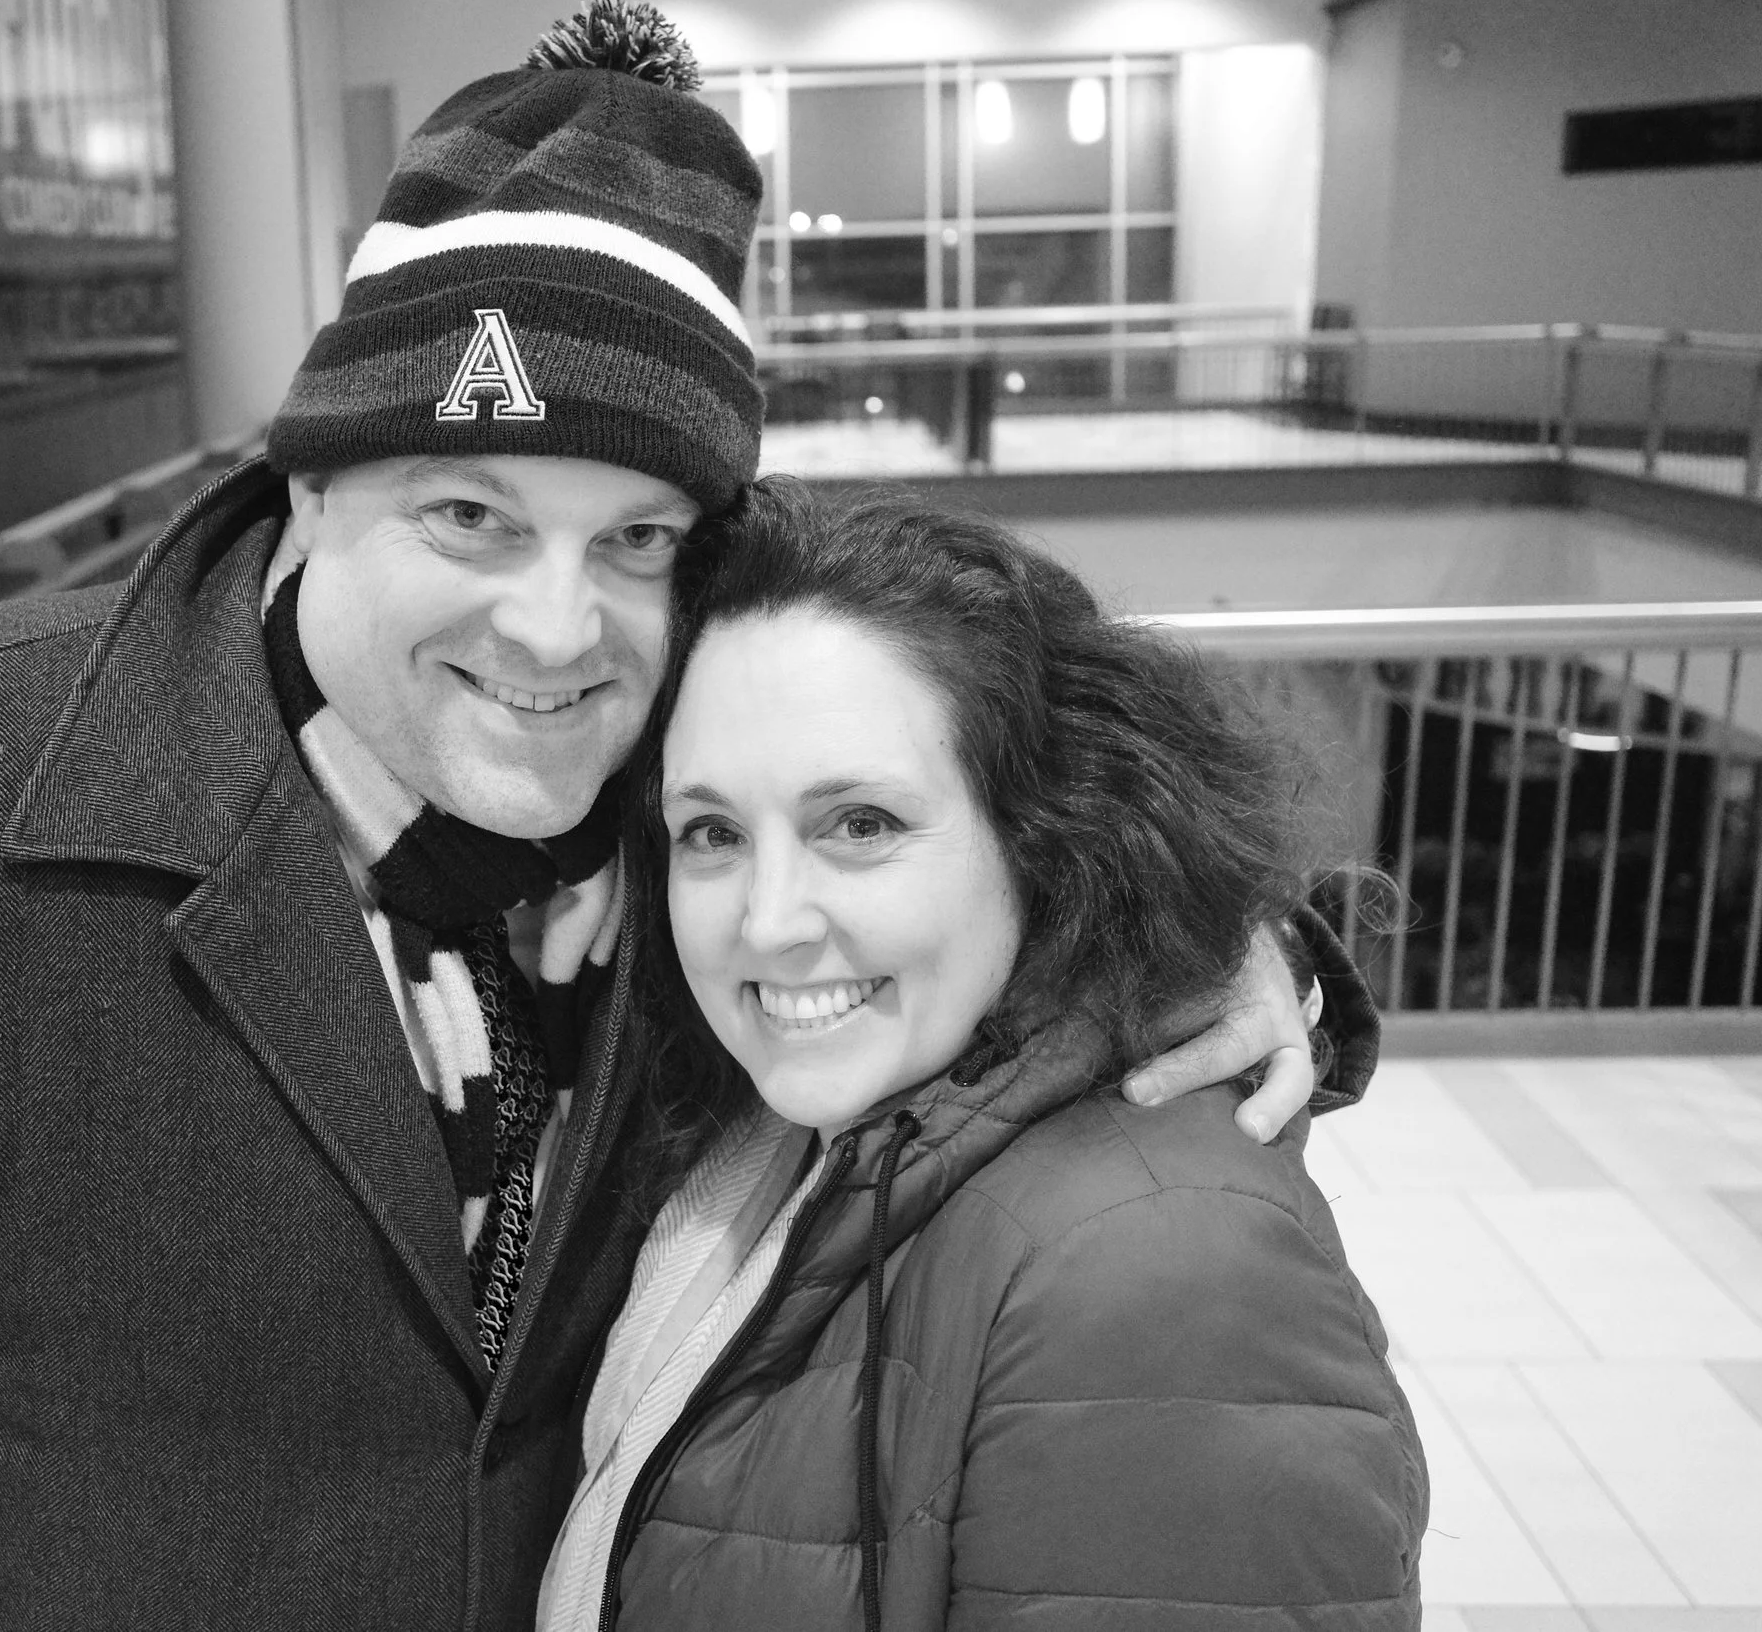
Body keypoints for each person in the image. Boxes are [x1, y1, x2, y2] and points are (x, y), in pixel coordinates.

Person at [0, 0, 1371, 1631]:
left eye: (634, 539)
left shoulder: (686, 808)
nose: (554, 627)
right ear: (309, 495)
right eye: (468, 514)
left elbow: (949, 834)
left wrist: (1196, 945)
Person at [538, 481, 1425, 1632]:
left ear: (1044, 831)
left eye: (861, 823)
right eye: (712, 832)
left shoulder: (1160, 1271)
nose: (766, 920)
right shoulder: (764, 1134)